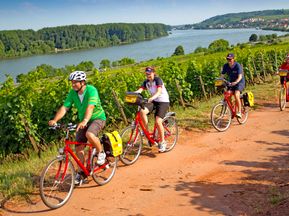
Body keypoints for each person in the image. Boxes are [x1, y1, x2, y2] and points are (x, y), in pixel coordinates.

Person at [48, 71, 106, 185]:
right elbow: (65, 108)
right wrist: (55, 120)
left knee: (89, 134)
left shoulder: (91, 90)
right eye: (72, 82)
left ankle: (101, 152)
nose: (73, 84)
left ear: (83, 82)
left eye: (76, 82)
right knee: (78, 148)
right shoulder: (72, 93)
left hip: (97, 118)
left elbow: (90, 107)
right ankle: (82, 172)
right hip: (83, 121)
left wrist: (85, 120)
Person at [134, 67, 170, 152]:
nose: (148, 75)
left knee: (158, 122)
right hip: (154, 101)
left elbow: (159, 91)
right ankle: (147, 133)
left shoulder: (158, 80)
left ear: (153, 73)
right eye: (146, 74)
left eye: (149, 74)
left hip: (163, 102)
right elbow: (140, 90)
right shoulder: (146, 82)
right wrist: (132, 94)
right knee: (142, 111)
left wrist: (152, 98)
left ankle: (163, 142)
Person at [221, 53, 245, 118]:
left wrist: (236, 82)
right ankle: (232, 110)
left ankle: (239, 112)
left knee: (236, 95)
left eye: (230, 59)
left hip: (240, 82)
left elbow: (240, 76)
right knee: (227, 96)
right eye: (228, 59)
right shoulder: (225, 66)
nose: (229, 61)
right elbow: (222, 76)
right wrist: (221, 81)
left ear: (233, 59)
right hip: (231, 82)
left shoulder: (237, 65)